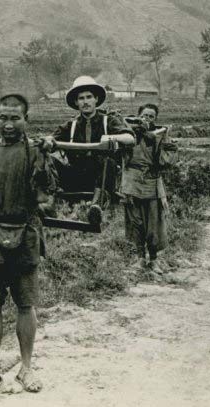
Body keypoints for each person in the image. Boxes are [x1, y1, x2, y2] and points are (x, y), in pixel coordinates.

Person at [0, 93, 57, 399]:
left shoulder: (35, 152)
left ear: (25, 120)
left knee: (25, 304)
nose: (8, 124)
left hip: (25, 234)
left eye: (15, 117)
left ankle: (27, 367)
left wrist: (45, 156)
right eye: (3, 117)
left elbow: (46, 195)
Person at [43, 76, 134, 220]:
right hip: (76, 176)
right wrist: (47, 141)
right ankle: (50, 202)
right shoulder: (71, 125)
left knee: (108, 162)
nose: (85, 102)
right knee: (47, 159)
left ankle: (97, 206)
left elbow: (130, 138)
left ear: (96, 99)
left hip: (101, 178)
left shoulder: (108, 121)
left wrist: (112, 138)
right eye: (81, 98)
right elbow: (50, 140)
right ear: (76, 102)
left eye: (89, 97)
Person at [120, 109, 172, 274]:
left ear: (155, 119)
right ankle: (140, 258)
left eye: (151, 116)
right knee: (136, 222)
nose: (146, 119)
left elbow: (166, 160)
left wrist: (156, 140)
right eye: (144, 116)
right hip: (131, 182)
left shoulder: (159, 135)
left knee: (153, 224)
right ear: (138, 117)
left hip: (151, 182)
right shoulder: (129, 135)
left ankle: (154, 259)